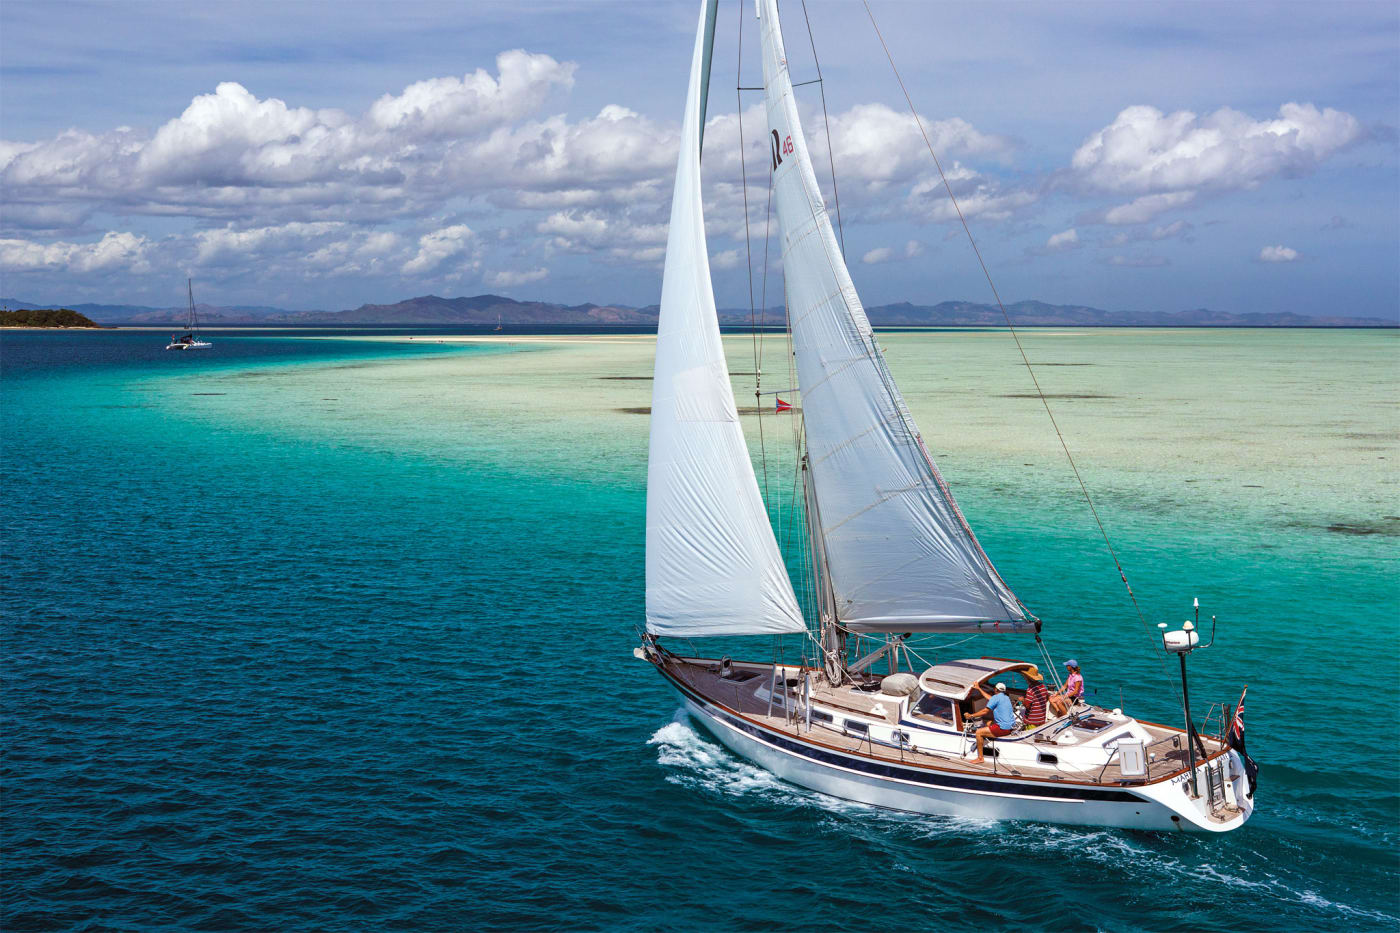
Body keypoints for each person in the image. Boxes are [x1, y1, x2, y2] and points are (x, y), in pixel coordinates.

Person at [966, 681, 1016, 764]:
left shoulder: (995, 698)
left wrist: (971, 716)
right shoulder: (1006, 697)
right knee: (989, 723)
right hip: (1010, 727)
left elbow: (985, 711)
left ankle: (980, 758)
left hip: (1003, 728)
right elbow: (990, 698)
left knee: (978, 732)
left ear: (995, 689)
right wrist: (979, 688)